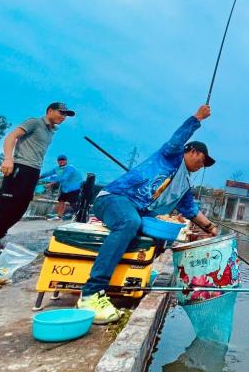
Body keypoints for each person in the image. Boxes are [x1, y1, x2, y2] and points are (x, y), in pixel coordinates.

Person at [77, 104, 218, 323]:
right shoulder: (171, 157)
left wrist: (210, 229)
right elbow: (176, 140)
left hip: (139, 211)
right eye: (202, 159)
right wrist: (196, 118)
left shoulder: (184, 185)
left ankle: (129, 279)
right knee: (128, 222)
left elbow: (191, 211)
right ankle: (90, 293)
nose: (202, 165)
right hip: (115, 199)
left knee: (160, 236)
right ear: (192, 152)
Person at [0, 102, 76, 255]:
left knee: (20, 207)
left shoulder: (51, 131)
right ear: (50, 111)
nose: (63, 117)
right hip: (20, 166)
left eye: (66, 115)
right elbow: (12, 136)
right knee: (5, 204)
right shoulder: (34, 122)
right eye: (61, 113)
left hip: (33, 170)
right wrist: (8, 159)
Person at [39, 154, 83, 219]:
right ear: (57, 161)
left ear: (66, 161)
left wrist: (51, 184)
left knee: (73, 203)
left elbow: (64, 178)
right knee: (61, 200)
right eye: (59, 160)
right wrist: (38, 177)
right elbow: (47, 173)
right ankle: (59, 216)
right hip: (65, 188)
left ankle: (77, 215)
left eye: (63, 160)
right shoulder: (56, 168)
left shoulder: (70, 168)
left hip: (74, 188)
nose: (61, 161)